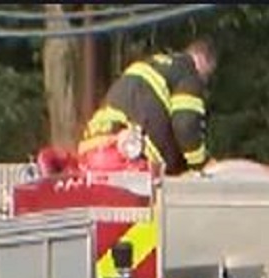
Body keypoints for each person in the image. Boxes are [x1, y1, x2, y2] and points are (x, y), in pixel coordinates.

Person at [77, 39, 215, 176]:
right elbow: (186, 124)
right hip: (132, 157)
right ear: (203, 61)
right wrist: (200, 163)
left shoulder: (150, 63)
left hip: (92, 148)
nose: (204, 81)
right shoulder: (188, 73)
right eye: (207, 76)